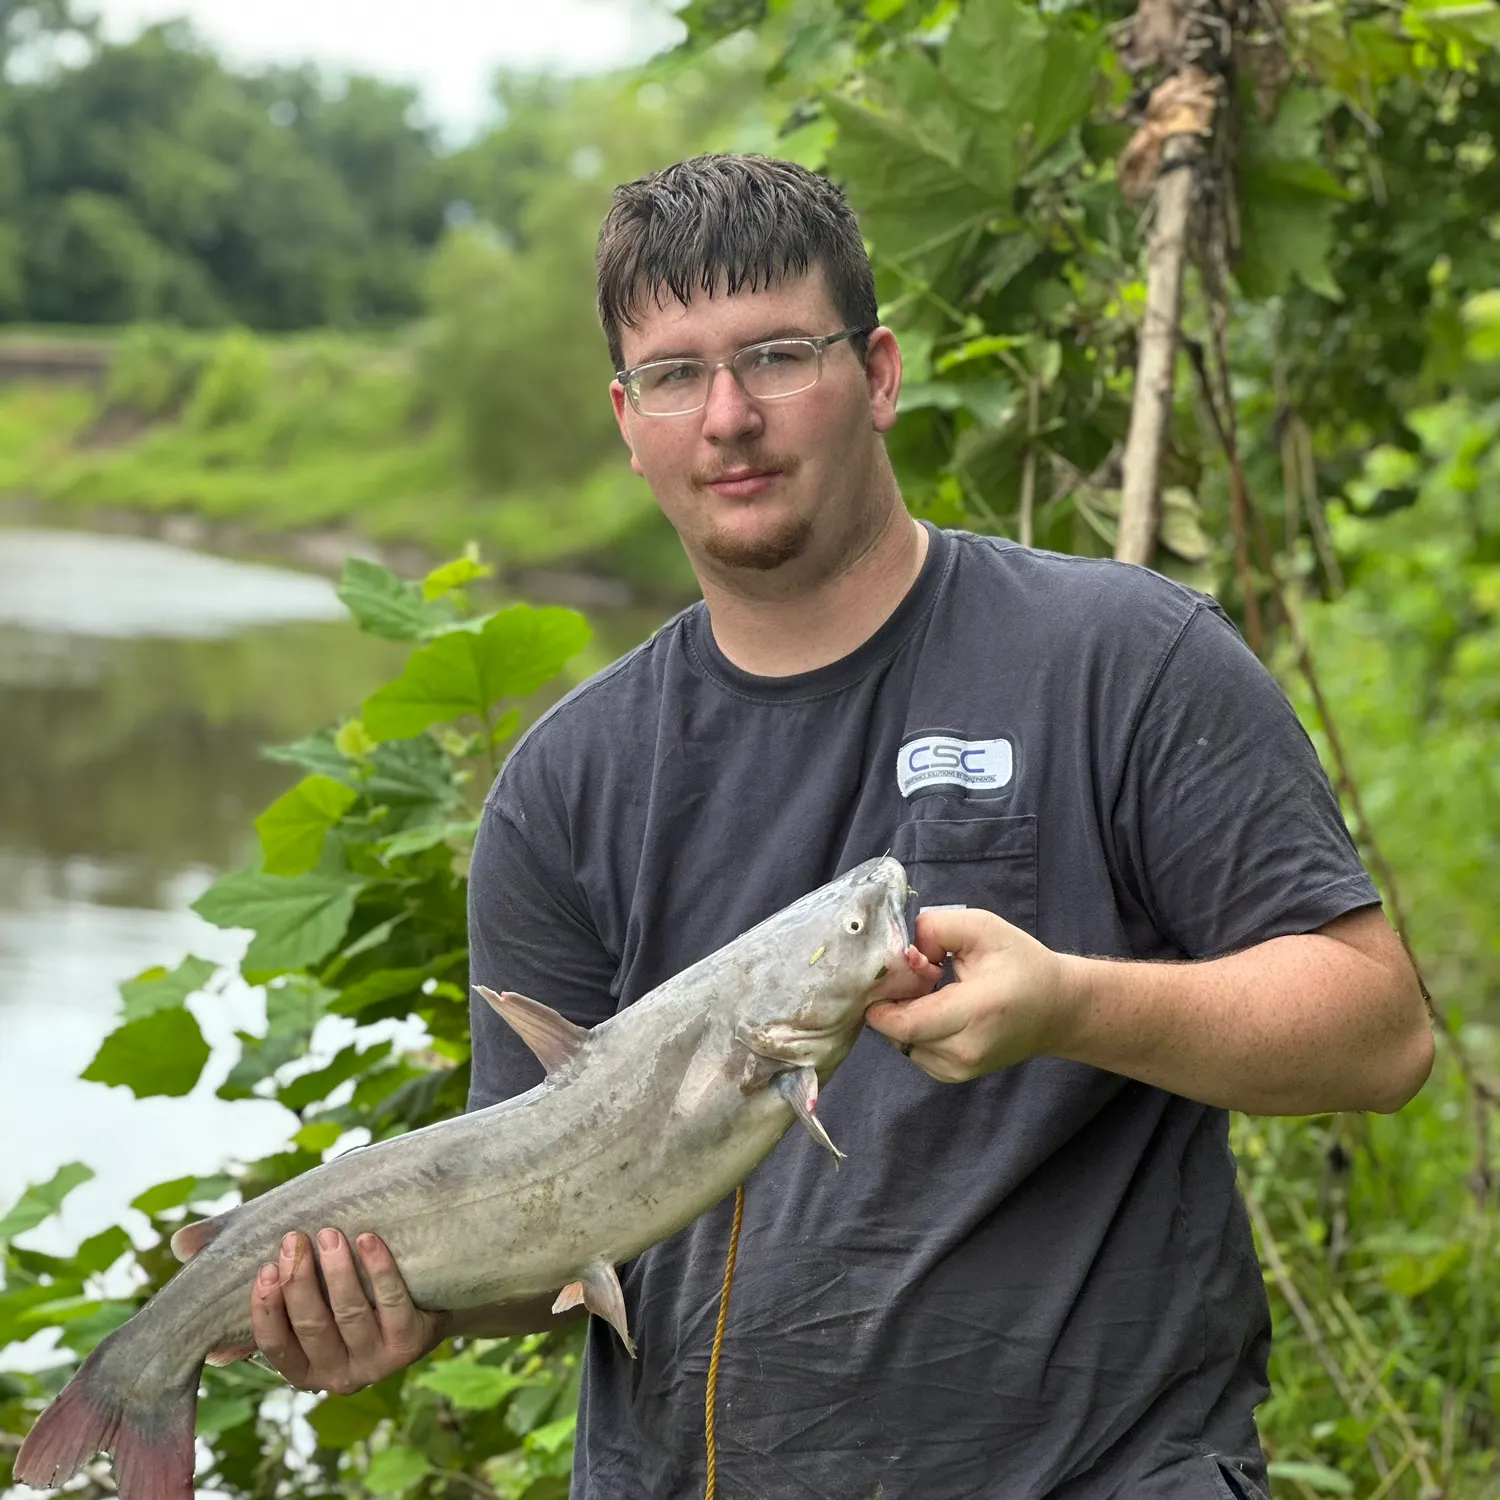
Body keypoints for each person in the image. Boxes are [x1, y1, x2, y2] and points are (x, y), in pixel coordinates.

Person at [249, 154, 1433, 1498]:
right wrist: (388, 1302)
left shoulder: (1126, 660)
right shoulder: (565, 781)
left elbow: (1378, 1031)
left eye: (778, 356)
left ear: (877, 373)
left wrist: (1071, 1007)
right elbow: (541, 1230)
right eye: (677, 375)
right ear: (628, 419)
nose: (730, 417)